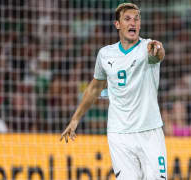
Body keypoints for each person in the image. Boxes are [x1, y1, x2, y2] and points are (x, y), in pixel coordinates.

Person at [60, 3, 167, 180]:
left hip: (150, 130)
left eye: (136, 19)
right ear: (117, 24)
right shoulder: (105, 54)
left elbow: (158, 54)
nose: (133, 23)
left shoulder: (147, 47)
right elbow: (94, 88)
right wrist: (75, 119)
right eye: (127, 19)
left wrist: (158, 50)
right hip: (119, 134)